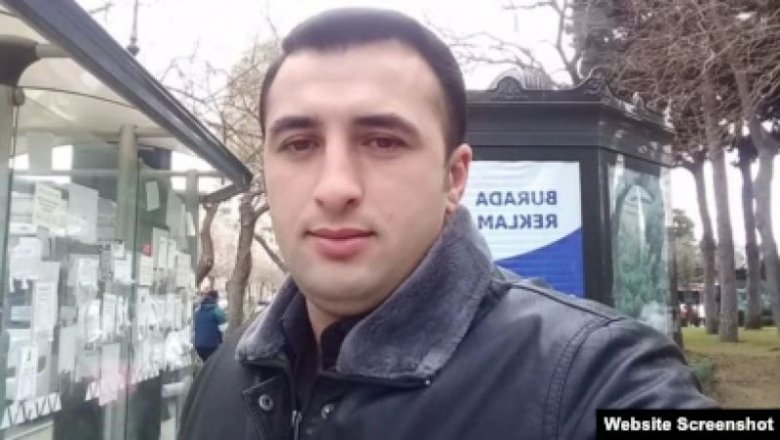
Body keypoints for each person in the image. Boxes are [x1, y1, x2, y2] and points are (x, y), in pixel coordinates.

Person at [179, 8, 716, 440]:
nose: (335, 187)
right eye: (299, 144)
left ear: (454, 177)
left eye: (382, 141)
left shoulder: (596, 378)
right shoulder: (224, 377)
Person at [191, 290, 226, 362]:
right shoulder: (217, 310)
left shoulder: (198, 311)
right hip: (212, 345)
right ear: (216, 298)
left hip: (198, 346)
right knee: (213, 365)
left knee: (206, 364)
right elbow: (223, 328)